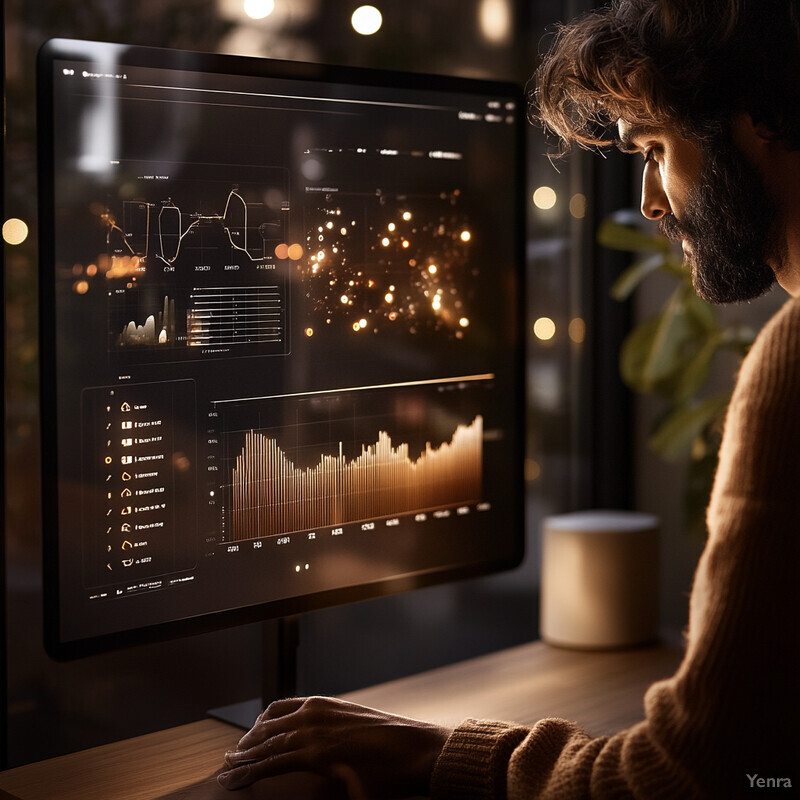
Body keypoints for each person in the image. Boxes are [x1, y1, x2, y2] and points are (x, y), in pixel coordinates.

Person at [217, 0, 800, 796]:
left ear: (762, 116)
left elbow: (685, 775)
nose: (652, 203)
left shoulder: (790, 366)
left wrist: (431, 754)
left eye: (657, 148)